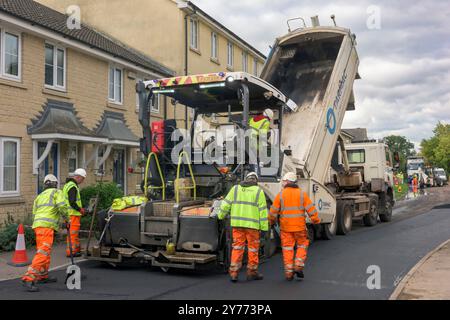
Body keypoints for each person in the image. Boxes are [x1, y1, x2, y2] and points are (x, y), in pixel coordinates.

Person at [269, 172, 321, 281]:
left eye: (284, 181)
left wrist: (271, 222)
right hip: (300, 228)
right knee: (302, 245)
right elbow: (311, 210)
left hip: (286, 228)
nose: (283, 183)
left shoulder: (281, 195)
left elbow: (273, 212)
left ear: (288, 181)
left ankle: (289, 273)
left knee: (287, 249)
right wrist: (316, 222)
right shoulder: (302, 194)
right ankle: (298, 265)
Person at [218, 172, 268, 282]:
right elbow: (263, 212)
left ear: (245, 179)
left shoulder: (235, 189)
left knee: (237, 247)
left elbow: (225, 204)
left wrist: (220, 216)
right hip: (252, 227)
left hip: (237, 225)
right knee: (253, 248)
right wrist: (264, 228)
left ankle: (234, 273)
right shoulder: (258, 191)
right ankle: (252, 272)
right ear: (255, 181)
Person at [22, 175, 68, 292]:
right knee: (43, 253)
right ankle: (29, 277)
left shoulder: (40, 196)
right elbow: (62, 206)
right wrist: (67, 219)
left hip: (38, 227)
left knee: (43, 252)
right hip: (47, 228)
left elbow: (34, 212)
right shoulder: (57, 192)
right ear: (55, 184)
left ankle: (43, 275)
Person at [63, 168, 87, 257]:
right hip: (73, 214)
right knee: (73, 234)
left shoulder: (68, 185)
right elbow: (72, 201)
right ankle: (71, 252)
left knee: (73, 234)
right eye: (82, 179)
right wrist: (80, 209)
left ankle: (76, 250)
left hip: (70, 214)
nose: (83, 181)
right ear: (78, 177)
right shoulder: (72, 186)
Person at [248, 109, 273, 175]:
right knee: (257, 160)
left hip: (247, 140)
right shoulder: (266, 121)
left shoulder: (252, 119)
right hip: (255, 142)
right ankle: (257, 174)